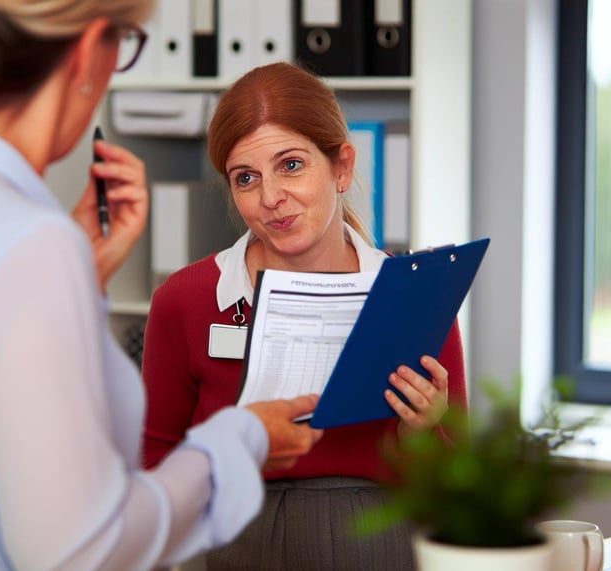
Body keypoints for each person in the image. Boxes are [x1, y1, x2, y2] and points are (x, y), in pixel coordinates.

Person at [0, 2, 323, 570]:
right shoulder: (25, 248)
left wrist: (80, 278)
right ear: (88, 49)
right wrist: (240, 441)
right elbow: (83, 549)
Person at [140, 61, 468, 570]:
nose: (271, 198)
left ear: (340, 168)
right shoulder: (185, 300)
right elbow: (155, 466)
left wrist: (422, 433)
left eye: (291, 165)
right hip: (235, 540)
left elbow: (460, 490)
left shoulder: (416, 295)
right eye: (246, 178)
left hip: (375, 544)